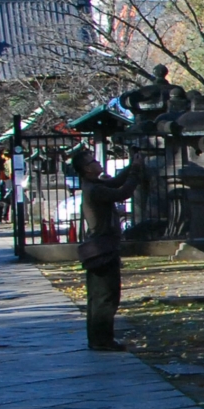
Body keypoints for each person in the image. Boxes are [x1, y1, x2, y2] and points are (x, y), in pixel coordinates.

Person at [74, 150, 139, 351]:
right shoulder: (95, 189)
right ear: (86, 169)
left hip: (101, 246)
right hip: (102, 248)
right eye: (92, 161)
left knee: (98, 295)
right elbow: (122, 192)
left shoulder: (95, 185)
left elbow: (116, 182)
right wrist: (135, 171)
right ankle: (102, 340)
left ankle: (98, 338)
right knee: (105, 295)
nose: (97, 163)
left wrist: (131, 166)